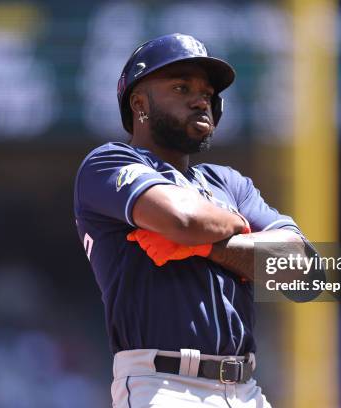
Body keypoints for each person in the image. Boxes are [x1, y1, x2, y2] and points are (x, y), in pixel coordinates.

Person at [74, 33, 313, 407]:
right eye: (181, 87)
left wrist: (205, 242)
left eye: (207, 91)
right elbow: (182, 218)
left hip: (248, 390)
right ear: (140, 104)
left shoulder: (229, 184)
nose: (201, 99)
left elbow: (304, 273)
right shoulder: (108, 164)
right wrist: (239, 229)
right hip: (164, 385)